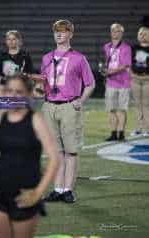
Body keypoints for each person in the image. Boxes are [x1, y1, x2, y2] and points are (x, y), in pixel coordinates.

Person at [0, 73, 58, 238]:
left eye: (19, 92)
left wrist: (37, 193)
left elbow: (55, 159)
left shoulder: (35, 120)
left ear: (28, 94)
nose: (13, 96)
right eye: (9, 91)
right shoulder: (0, 120)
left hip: (24, 195)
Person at [41, 19, 95, 203]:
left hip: (69, 106)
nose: (59, 34)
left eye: (63, 31)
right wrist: (36, 88)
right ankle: (57, 189)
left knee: (70, 151)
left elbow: (90, 83)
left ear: (71, 34)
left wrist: (81, 100)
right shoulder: (46, 58)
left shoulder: (79, 58)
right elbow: (44, 84)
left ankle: (68, 190)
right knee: (55, 152)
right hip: (49, 106)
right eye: (56, 31)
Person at [103, 23, 132, 141]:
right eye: (113, 31)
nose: (115, 33)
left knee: (122, 109)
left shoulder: (126, 47)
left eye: (118, 31)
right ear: (110, 32)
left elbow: (125, 65)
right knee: (111, 109)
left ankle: (121, 133)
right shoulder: (106, 47)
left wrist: (110, 72)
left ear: (121, 33)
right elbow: (108, 62)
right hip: (111, 82)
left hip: (123, 83)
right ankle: (114, 133)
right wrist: (105, 71)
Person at [0, 30, 34, 96]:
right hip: (4, 87)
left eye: (13, 39)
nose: (11, 41)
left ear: (18, 40)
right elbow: (0, 76)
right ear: (6, 41)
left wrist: (30, 90)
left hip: (20, 87)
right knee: (4, 105)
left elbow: (30, 74)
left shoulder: (25, 55)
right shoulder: (2, 56)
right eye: (8, 39)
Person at [130, 26, 149, 136]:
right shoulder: (133, 48)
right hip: (135, 79)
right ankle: (138, 128)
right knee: (137, 104)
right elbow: (128, 64)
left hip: (148, 80)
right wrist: (132, 75)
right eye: (140, 34)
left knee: (146, 104)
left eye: (145, 34)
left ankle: (147, 129)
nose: (142, 36)